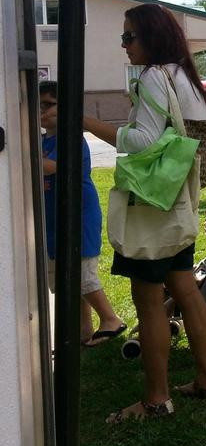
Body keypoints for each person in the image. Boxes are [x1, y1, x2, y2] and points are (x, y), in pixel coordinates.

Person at [82, 3, 206, 422]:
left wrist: (87, 122)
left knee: (148, 301)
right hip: (180, 201)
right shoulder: (186, 77)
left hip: (154, 203)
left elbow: (142, 141)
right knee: (185, 289)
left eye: (129, 37)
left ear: (152, 37)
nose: (123, 45)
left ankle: (157, 399)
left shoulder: (155, 77)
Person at [39, 81, 125, 347]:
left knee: (81, 273)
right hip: (56, 216)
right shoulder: (44, 139)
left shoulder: (70, 138)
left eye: (48, 105)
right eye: (38, 106)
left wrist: (23, 153)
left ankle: (111, 319)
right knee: (68, 275)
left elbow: (54, 167)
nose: (42, 111)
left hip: (78, 214)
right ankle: (83, 330)